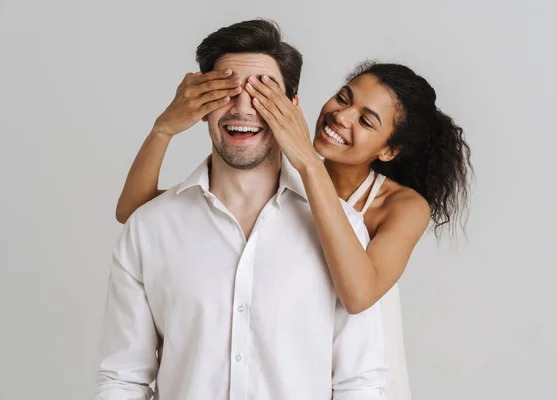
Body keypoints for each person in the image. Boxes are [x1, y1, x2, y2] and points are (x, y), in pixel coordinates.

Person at [115, 22, 473, 400]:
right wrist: (164, 129)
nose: (342, 117)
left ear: (388, 150)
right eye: (343, 97)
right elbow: (142, 217)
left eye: (366, 121)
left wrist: (305, 161)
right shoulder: (287, 174)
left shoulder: (395, 204)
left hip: (362, 365)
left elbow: (358, 295)